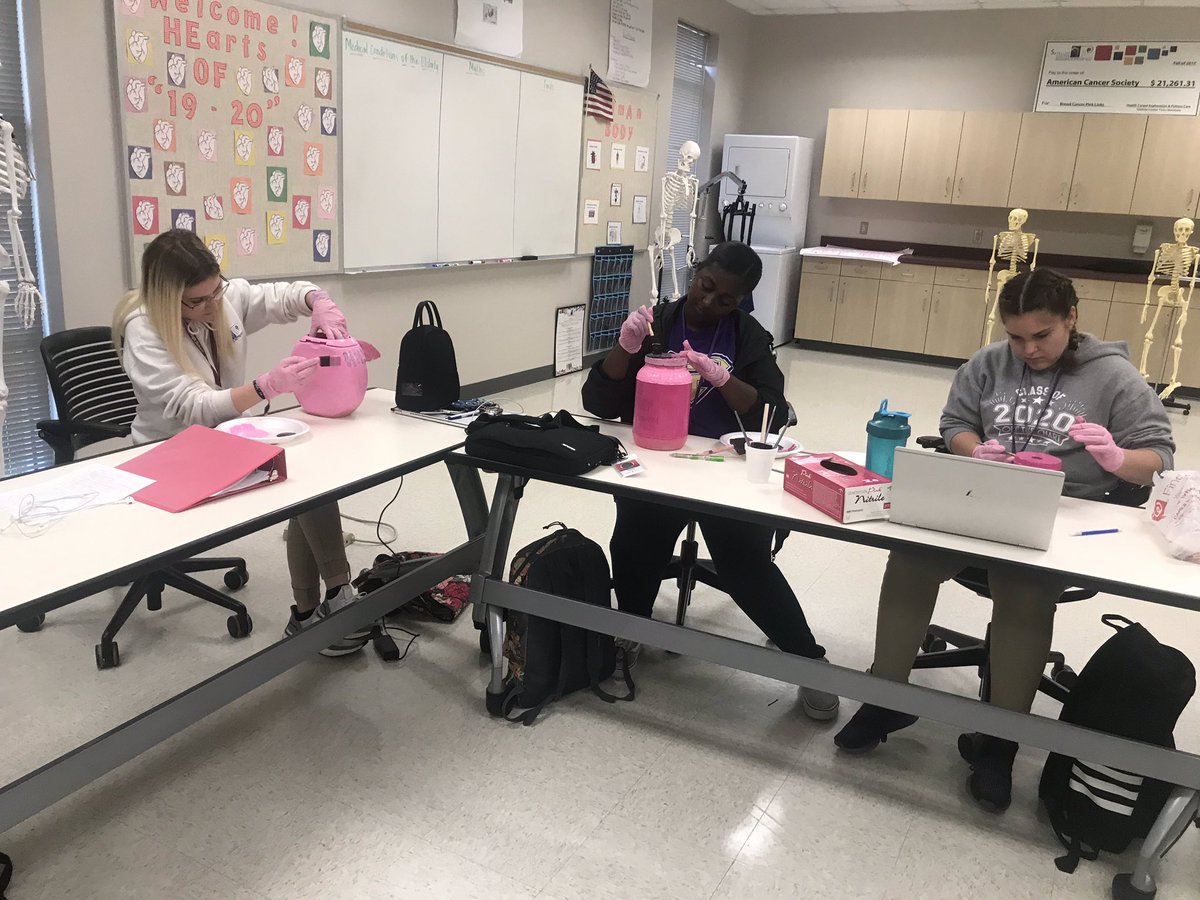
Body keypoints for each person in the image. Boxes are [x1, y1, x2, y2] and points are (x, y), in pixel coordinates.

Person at [834, 268, 1175, 811]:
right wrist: (974, 450)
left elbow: (1158, 458)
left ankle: (999, 742)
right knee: (910, 560)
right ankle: (886, 699)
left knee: (1024, 589)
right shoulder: (989, 364)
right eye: (1016, 337)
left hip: (1063, 513)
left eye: (1042, 336)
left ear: (1072, 320)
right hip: (982, 495)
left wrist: (1116, 458)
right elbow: (953, 424)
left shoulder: (1114, 378)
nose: (1028, 349)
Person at [582, 241, 839, 721]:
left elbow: (774, 412)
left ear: (742, 302)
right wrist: (626, 347)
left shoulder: (747, 337)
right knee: (634, 545)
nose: (709, 302)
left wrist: (723, 380)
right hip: (661, 463)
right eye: (706, 287)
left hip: (725, 471)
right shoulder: (655, 321)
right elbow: (599, 402)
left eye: (726, 299)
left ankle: (809, 663)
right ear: (696, 272)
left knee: (746, 565)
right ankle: (630, 634)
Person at [113, 229, 370, 656]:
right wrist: (267, 386)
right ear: (166, 298)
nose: (213, 305)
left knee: (307, 476)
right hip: (167, 453)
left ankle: (313, 611)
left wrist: (318, 303)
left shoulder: (219, 298)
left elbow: (284, 295)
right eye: (198, 301)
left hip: (227, 438)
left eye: (216, 291)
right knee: (298, 481)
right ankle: (330, 600)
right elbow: (193, 407)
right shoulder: (144, 331)